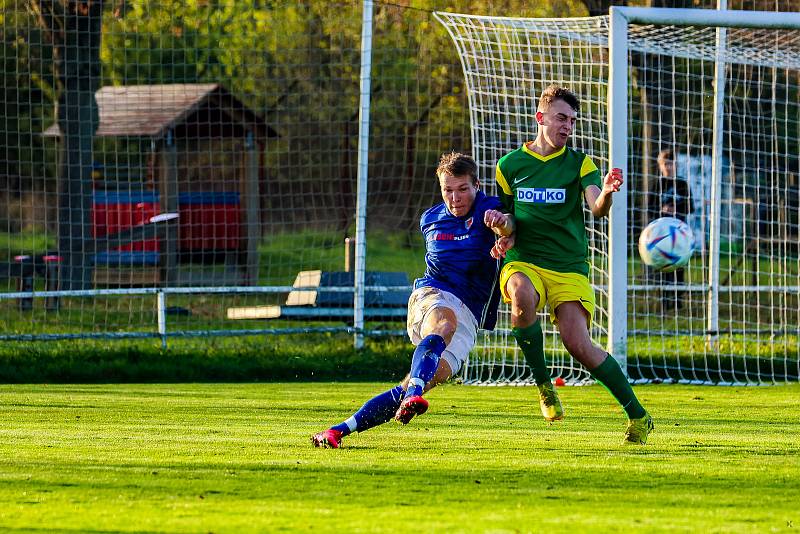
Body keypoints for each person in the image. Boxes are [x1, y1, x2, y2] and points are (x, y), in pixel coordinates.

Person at [311, 151, 513, 449]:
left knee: (417, 383)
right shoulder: (430, 219)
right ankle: (415, 390)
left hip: (470, 314)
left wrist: (502, 225)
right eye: (448, 190)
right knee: (444, 323)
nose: (455, 198)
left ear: (477, 185)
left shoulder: (489, 208)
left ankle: (338, 431)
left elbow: (510, 224)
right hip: (432, 295)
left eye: (462, 189)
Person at [492, 85, 654, 445]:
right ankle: (545, 388)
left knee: (578, 344)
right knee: (520, 296)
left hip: (568, 266)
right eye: (561, 118)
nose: (568, 126)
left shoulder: (580, 164)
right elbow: (511, 220)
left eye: (572, 121)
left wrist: (608, 193)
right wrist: (502, 229)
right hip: (526, 260)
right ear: (541, 118)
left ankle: (638, 414)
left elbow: (596, 207)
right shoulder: (509, 166)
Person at [654, 148, 692, 310]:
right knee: (663, 266)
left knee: (679, 266)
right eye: (665, 164)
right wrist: (663, 210)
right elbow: (649, 207)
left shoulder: (682, 184)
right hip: (662, 235)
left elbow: (691, 207)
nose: (668, 167)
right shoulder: (657, 184)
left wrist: (676, 209)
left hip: (679, 233)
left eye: (671, 164)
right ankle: (665, 301)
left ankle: (678, 301)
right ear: (660, 165)